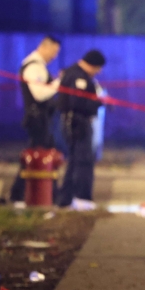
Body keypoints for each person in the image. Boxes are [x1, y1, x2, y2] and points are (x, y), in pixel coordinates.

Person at [10, 36, 61, 202]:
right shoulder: (33, 67)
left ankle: (22, 195)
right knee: (41, 157)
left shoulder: (39, 67)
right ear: (45, 47)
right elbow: (38, 94)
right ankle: (24, 195)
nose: (54, 56)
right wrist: (59, 83)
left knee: (35, 158)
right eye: (54, 52)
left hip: (41, 119)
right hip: (37, 119)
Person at [57, 50, 106, 208]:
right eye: (97, 69)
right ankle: (82, 198)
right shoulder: (79, 77)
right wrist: (99, 102)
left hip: (72, 123)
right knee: (83, 161)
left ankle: (66, 198)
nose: (97, 72)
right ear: (93, 65)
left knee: (74, 161)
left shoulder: (71, 73)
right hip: (78, 123)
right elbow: (78, 103)